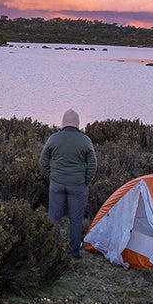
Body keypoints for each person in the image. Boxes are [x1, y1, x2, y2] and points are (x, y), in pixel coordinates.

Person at [40, 108, 97, 259]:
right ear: (77, 124)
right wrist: (86, 180)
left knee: (54, 218)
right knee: (76, 220)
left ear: (63, 123)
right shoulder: (85, 140)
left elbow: (43, 160)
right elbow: (93, 164)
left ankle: (54, 252)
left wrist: (52, 175)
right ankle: (74, 253)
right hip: (78, 185)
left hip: (57, 185)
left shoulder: (54, 138)